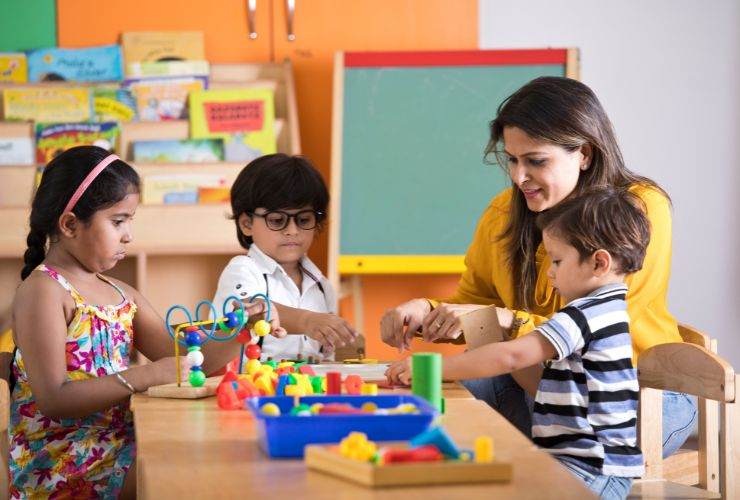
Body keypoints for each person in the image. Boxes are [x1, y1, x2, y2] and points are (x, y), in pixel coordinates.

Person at [380, 76, 695, 456]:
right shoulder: (502, 213)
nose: (518, 177)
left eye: (536, 161)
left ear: (585, 154)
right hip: (540, 385)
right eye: (512, 159)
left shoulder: (639, 210)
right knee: (427, 412)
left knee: (561, 460)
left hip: (633, 395)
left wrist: (501, 321)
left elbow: (596, 330)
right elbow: (474, 300)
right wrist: (427, 310)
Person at [8, 146, 270, 498]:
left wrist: (242, 332)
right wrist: (144, 375)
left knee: (211, 460)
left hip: (120, 446)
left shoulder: (122, 294)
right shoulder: (43, 291)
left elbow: (192, 358)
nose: (129, 234)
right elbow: (53, 399)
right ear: (70, 224)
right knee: (183, 475)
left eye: (130, 220)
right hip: (63, 464)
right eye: (118, 221)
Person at [387, 187, 647, 499]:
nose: (549, 273)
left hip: (591, 469)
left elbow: (512, 356)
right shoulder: (607, 311)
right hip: (585, 463)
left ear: (599, 263)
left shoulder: (583, 316)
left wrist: (433, 367)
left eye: (557, 261)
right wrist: (490, 341)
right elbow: (538, 382)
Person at [212, 153, 358, 363]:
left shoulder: (322, 286)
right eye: (278, 220)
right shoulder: (242, 270)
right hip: (250, 391)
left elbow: (326, 355)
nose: (292, 230)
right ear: (247, 224)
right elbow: (250, 311)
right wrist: (307, 320)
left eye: (303, 219)